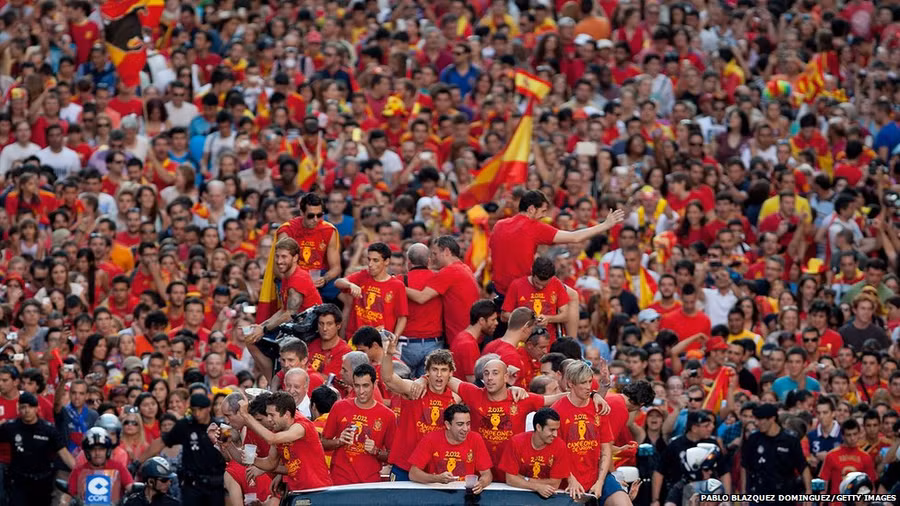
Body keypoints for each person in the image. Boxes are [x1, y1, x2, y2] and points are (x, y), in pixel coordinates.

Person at [489, 190, 624, 307]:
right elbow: (574, 238)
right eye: (542, 211)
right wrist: (605, 225)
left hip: (499, 290)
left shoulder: (499, 225)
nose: (544, 216)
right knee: (573, 297)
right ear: (531, 209)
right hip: (524, 289)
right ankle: (569, 338)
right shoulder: (533, 226)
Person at [380, 334, 458, 481]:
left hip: (435, 470)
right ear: (427, 371)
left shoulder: (455, 397)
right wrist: (389, 354)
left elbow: (482, 394)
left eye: (443, 370)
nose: (439, 375)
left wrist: (513, 389)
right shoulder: (414, 389)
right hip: (405, 465)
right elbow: (389, 379)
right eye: (434, 369)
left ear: (451, 373)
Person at [552, 361, 629, 505]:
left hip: (597, 475)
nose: (588, 387)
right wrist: (570, 479)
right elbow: (554, 452)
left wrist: (600, 481)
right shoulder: (557, 410)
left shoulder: (599, 407)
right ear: (570, 384)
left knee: (623, 503)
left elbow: (605, 449)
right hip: (567, 478)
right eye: (583, 383)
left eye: (589, 382)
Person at [140, 394, 226, 505]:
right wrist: (138, 461)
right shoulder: (185, 425)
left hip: (215, 485)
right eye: (194, 410)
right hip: (193, 486)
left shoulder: (219, 427)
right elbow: (162, 441)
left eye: (200, 410)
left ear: (208, 408)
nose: (197, 413)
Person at [239, 391, 332, 491]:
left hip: (317, 490)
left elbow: (271, 439)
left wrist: (246, 416)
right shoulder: (277, 430)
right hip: (296, 491)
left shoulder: (301, 426)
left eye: (272, 415)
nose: (269, 419)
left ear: (286, 414)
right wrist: (252, 459)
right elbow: (271, 463)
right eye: (267, 414)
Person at [322, 364, 397, 484]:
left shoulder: (388, 415)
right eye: (357, 386)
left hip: (369, 483)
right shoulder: (339, 407)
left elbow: (393, 456)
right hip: (340, 480)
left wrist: (375, 451)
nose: (361, 391)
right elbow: (322, 443)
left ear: (374, 384)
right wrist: (339, 441)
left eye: (365, 385)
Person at [0, 392, 76, 506]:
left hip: (42, 483)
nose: (27, 410)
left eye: (30, 407)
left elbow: (64, 454)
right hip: (19, 483)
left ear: (37, 408)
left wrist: (80, 471)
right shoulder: (10, 427)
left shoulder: (48, 430)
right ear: (18, 409)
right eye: (23, 407)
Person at [404, 236, 479, 345]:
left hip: (459, 338)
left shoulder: (449, 272)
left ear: (447, 252)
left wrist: (396, 285)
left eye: (435, 254)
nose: (432, 258)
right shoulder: (464, 268)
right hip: (469, 335)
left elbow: (421, 298)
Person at [245, 237, 322, 343]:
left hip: (309, 331)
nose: (279, 261)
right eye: (277, 256)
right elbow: (283, 310)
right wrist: (261, 326)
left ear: (295, 258)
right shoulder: (287, 276)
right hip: (298, 327)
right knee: (251, 339)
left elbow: (290, 314)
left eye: (284, 257)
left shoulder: (298, 278)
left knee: (256, 341)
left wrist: (264, 330)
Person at [408, 403, 493, 493]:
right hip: (436, 493)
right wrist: (437, 478)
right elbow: (413, 474)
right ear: (448, 425)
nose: (465, 429)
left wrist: (481, 483)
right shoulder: (431, 439)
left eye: (468, 424)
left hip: (465, 494)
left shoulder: (475, 438)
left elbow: (487, 474)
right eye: (460, 424)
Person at [336, 242, 408, 337]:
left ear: (386, 261)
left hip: (379, 341)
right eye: (369, 259)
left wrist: (395, 338)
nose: (370, 264)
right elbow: (338, 282)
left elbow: (402, 317)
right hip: (354, 338)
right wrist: (350, 285)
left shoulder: (397, 285)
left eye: (375, 260)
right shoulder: (362, 275)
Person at [498, 407, 571, 498]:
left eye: (557, 430)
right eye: (552, 430)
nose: (555, 434)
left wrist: (522, 479)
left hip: (547, 498)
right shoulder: (516, 442)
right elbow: (510, 479)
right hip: (519, 495)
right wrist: (537, 487)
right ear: (538, 427)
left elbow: (554, 484)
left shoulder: (560, 446)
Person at [741, 403, 811, 496]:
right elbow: (745, 466)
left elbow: (803, 466)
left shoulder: (790, 440)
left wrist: (809, 491)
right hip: (759, 493)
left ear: (772, 419)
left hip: (784, 494)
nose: (756, 423)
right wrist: (744, 492)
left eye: (760, 420)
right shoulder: (754, 439)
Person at [69, 427, 134, 503]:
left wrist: (134, 489)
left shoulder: (118, 467)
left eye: (101, 449)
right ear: (87, 452)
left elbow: (130, 486)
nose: (97, 453)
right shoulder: (78, 470)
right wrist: (64, 501)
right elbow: (69, 493)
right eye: (93, 449)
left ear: (107, 451)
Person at [819, 418, 875, 493]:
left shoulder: (866, 457)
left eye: (855, 434)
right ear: (842, 436)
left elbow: (871, 486)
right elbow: (823, 482)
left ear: (859, 434)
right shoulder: (831, 455)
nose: (852, 438)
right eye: (849, 435)